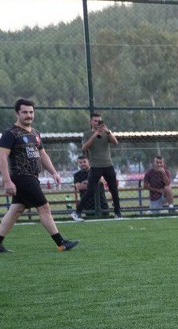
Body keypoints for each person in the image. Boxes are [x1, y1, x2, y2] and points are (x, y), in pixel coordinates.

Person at [0, 99, 79, 253]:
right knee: (44, 207)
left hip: (33, 177)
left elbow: (43, 155)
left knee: (16, 210)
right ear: (17, 113)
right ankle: (61, 243)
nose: (29, 115)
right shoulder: (10, 134)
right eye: (25, 112)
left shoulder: (35, 133)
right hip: (22, 177)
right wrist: (7, 180)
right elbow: (2, 157)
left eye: (31, 112)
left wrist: (54, 172)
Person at [80, 112, 123, 218]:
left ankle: (117, 213)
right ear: (91, 122)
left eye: (99, 121)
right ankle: (77, 212)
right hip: (95, 166)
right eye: (95, 121)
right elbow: (84, 147)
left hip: (108, 165)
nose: (97, 123)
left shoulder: (106, 132)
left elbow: (115, 142)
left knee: (114, 190)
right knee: (90, 190)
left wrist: (108, 131)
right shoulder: (87, 134)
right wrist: (95, 134)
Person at [71, 155, 108, 221]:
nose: (82, 164)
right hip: (87, 204)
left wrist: (86, 182)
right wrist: (93, 182)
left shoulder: (96, 171)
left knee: (105, 220)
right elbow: (79, 187)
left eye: (84, 162)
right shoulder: (77, 175)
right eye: (80, 162)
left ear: (89, 162)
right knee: (91, 221)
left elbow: (101, 180)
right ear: (78, 164)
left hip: (101, 202)